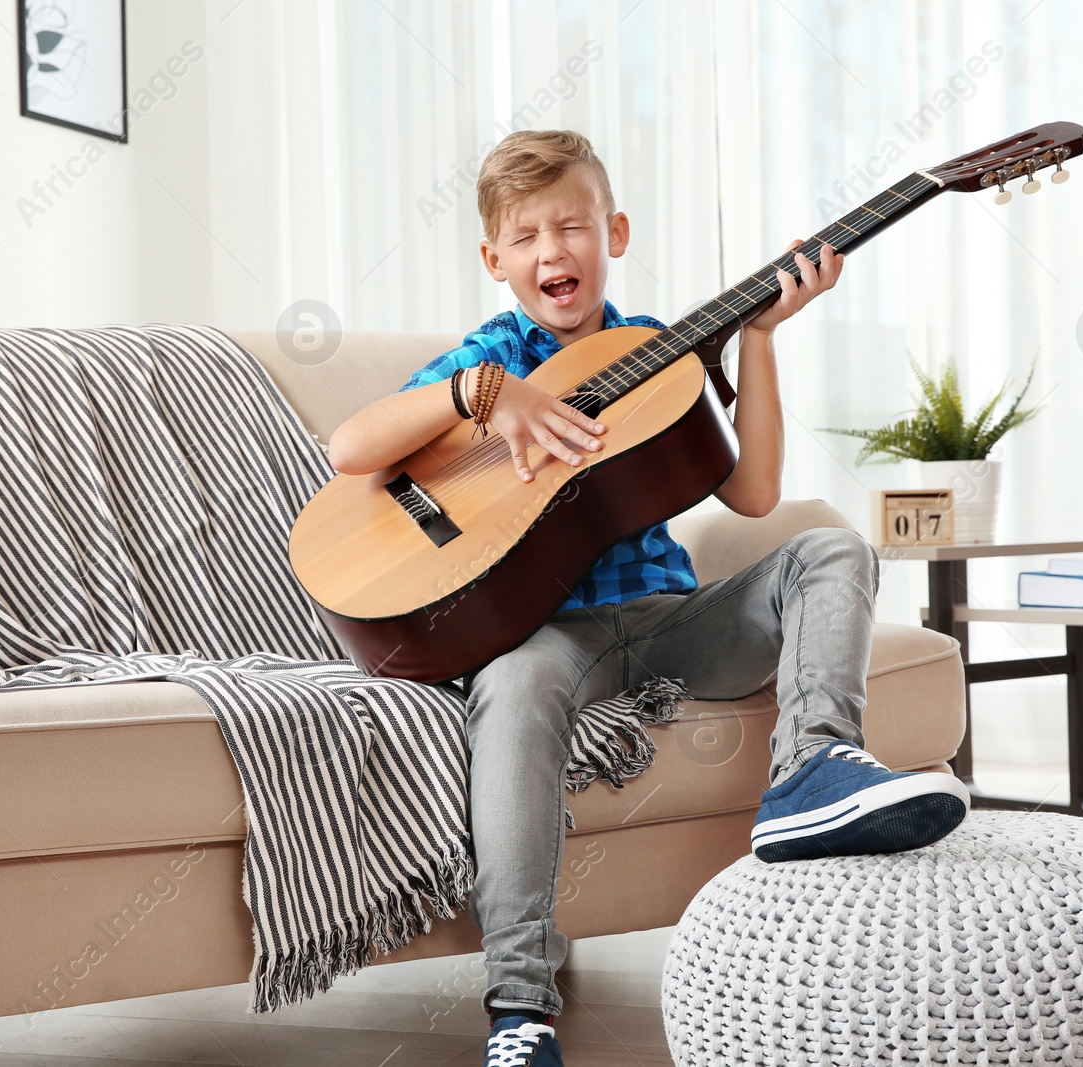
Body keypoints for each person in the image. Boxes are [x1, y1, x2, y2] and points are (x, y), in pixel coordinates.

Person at [326, 129, 969, 1067]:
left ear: (614, 232)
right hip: (550, 633)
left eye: (575, 226)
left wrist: (759, 337)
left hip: (671, 619)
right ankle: (520, 1010)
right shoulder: (495, 353)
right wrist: (482, 396)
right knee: (512, 692)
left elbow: (751, 494)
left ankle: (812, 771)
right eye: (529, 235)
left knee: (832, 548)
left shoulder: (656, 353)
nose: (555, 251)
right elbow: (352, 448)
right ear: (495, 259)